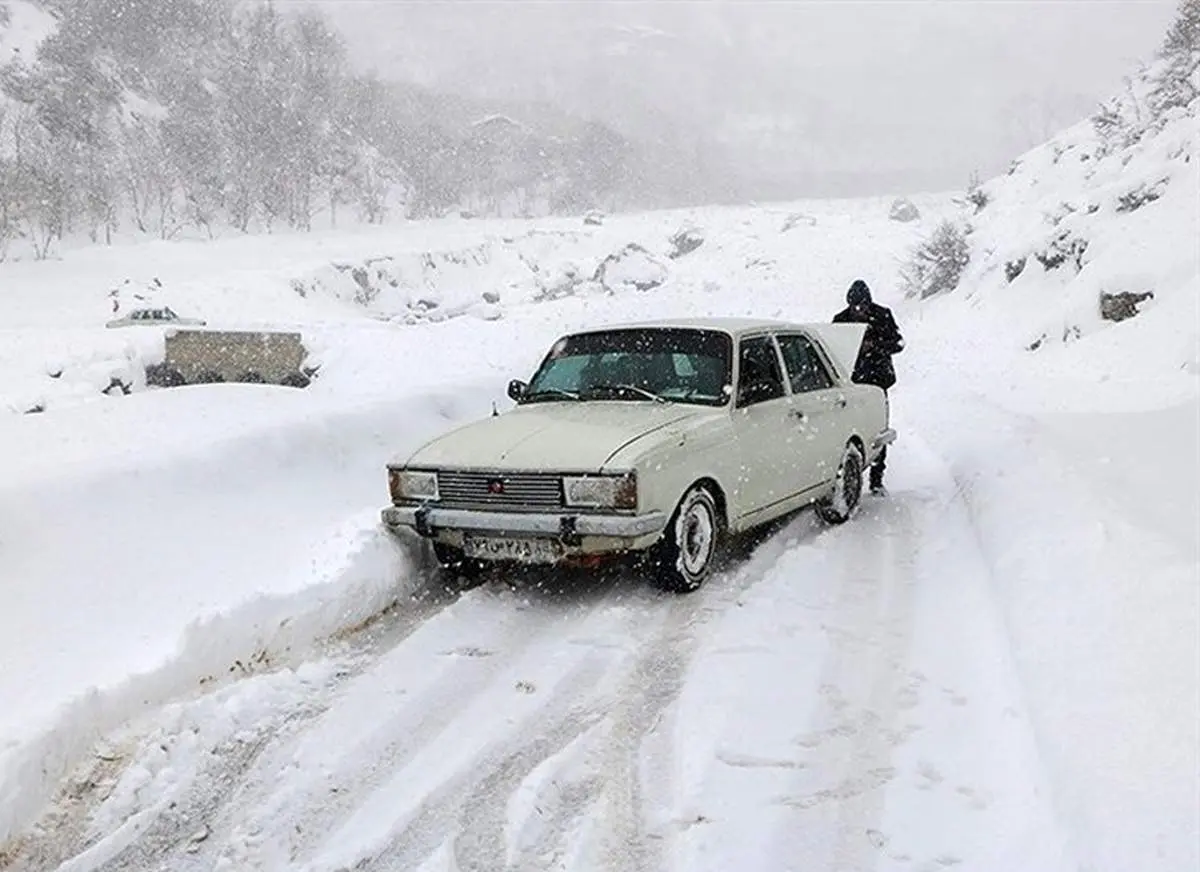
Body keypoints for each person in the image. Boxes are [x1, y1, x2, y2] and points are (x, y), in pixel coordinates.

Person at [832, 279, 904, 495]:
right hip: (850, 383)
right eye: (854, 306)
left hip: (878, 382)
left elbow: (898, 343)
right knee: (848, 432)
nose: (859, 310)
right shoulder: (840, 320)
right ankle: (849, 478)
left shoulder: (883, 315)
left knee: (877, 431)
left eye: (862, 306)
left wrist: (875, 347)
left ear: (869, 303)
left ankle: (876, 479)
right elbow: (833, 349)